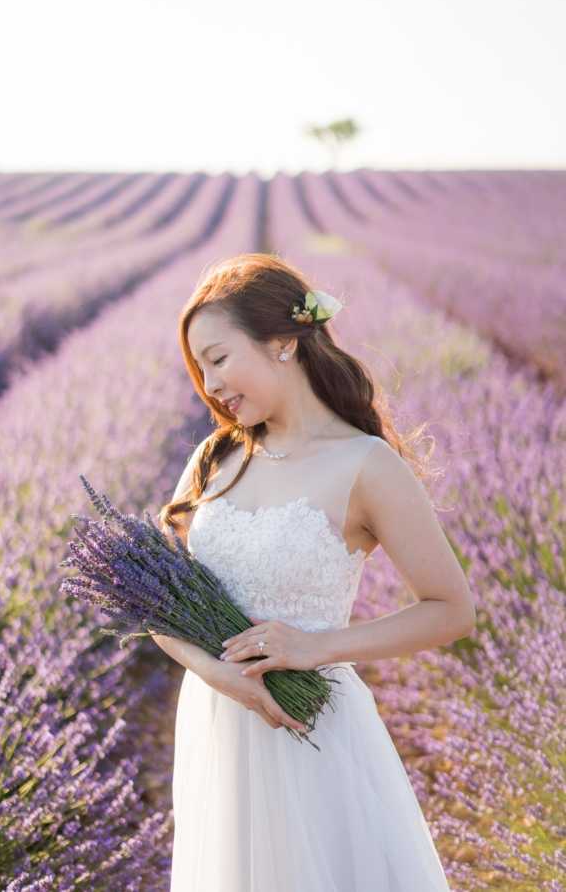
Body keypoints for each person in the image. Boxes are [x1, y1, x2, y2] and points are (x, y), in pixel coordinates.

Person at [154, 252, 475, 891]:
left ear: (282, 342)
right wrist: (218, 675)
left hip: (312, 731)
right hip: (218, 726)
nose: (209, 385)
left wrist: (317, 647)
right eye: (199, 369)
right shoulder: (214, 459)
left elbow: (452, 609)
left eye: (218, 358)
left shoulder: (366, 465)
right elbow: (154, 599)